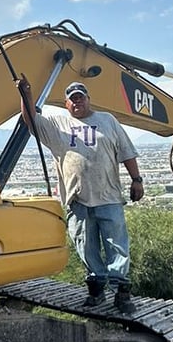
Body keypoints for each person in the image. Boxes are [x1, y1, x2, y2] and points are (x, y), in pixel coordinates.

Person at [17, 78, 144, 313]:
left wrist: (137, 180)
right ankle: (96, 291)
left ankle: (121, 293)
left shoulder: (107, 121)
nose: (77, 102)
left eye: (80, 97)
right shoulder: (58, 124)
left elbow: (127, 151)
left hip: (108, 196)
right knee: (86, 246)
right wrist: (26, 94)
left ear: (88, 99)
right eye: (72, 99)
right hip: (78, 199)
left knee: (116, 245)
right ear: (66, 104)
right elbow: (31, 120)